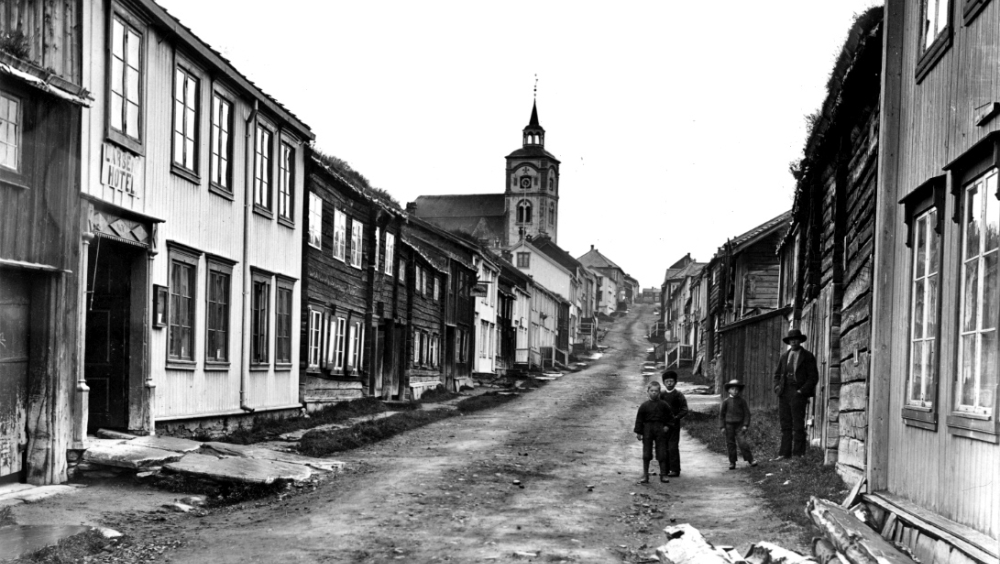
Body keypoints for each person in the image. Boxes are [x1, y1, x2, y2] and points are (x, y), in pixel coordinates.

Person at [772, 328, 819, 459]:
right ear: (789, 342)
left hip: (798, 393)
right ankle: (784, 453)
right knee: (785, 423)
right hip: (784, 392)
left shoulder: (808, 356)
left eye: (796, 339)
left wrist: (801, 391)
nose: (793, 342)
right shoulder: (784, 356)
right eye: (791, 340)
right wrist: (777, 387)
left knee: (798, 424)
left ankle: (798, 454)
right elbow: (777, 374)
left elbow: (813, 377)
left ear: (800, 341)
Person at [633, 381, 674, 484]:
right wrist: (639, 432)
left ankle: (663, 474)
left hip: (660, 429)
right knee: (646, 453)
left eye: (656, 391)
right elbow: (639, 420)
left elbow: (670, 418)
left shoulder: (664, 405)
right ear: (648, 392)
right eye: (651, 391)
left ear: (659, 392)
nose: (654, 393)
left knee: (662, 452)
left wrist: (667, 426)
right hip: (647, 429)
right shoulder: (644, 406)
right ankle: (645, 475)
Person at [719, 379, 757, 469]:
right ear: (728, 390)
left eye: (736, 389)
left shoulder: (742, 401)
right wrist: (722, 427)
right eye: (732, 389)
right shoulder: (726, 401)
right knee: (730, 444)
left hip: (739, 426)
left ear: (739, 390)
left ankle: (750, 460)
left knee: (743, 443)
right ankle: (732, 462)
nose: (735, 391)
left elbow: (747, 414)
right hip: (728, 426)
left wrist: (745, 425)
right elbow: (721, 415)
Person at [659, 370, 689, 477]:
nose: (669, 383)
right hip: (663, 425)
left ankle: (675, 470)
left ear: (675, 382)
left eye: (671, 381)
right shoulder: (661, 395)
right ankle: (665, 469)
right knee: (663, 446)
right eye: (667, 381)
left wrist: (676, 417)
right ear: (663, 382)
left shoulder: (678, 395)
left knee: (673, 447)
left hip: (674, 425)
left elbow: (685, 409)